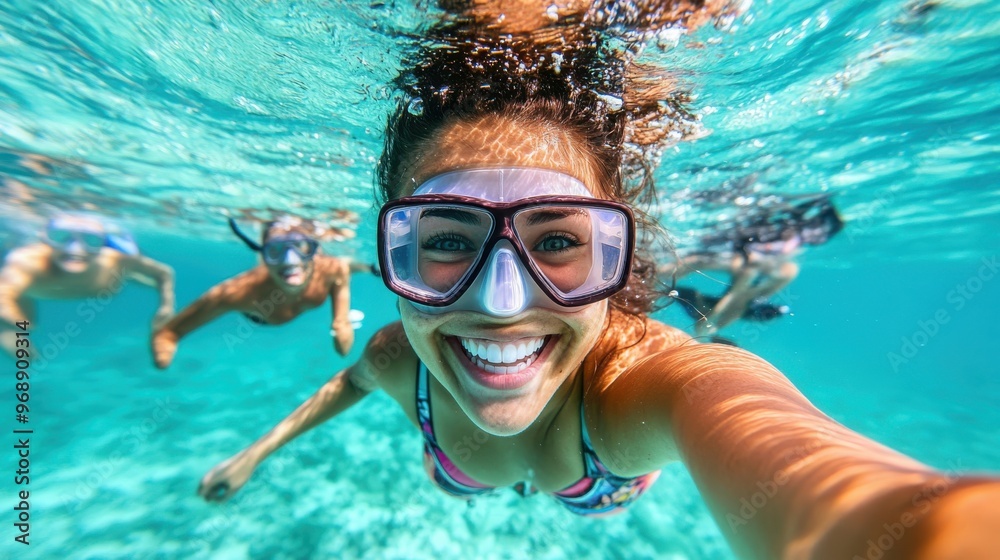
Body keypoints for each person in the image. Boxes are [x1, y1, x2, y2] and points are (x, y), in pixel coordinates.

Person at [195, 2, 999, 558]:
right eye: (444, 239)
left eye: (556, 241)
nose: (501, 301)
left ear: (619, 260)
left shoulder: (642, 385)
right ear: (392, 259)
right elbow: (349, 384)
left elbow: (830, 481)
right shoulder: (398, 359)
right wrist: (255, 454)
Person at [151, 216, 377, 368]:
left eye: (301, 248)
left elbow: (343, 334)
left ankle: (366, 267)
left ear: (313, 249)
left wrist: (340, 323)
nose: (290, 261)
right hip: (260, 316)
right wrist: (165, 347)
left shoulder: (333, 268)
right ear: (263, 255)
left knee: (345, 266)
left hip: (329, 270)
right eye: (275, 251)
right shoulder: (240, 292)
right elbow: (169, 333)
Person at [660, 193, 843, 337]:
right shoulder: (759, 259)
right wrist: (706, 328)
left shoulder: (785, 270)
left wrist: (708, 328)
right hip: (738, 260)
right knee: (695, 263)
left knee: (741, 299)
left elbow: (741, 299)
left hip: (745, 277)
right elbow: (737, 295)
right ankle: (667, 288)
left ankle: (690, 300)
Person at [0, 213, 174, 355]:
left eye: (91, 241)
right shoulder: (26, 263)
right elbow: (4, 295)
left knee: (133, 272)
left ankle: (131, 276)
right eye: (60, 237)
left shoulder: (115, 259)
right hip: (33, 290)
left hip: (111, 278)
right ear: (45, 239)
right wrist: (14, 324)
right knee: (23, 348)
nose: (75, 250)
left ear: (103, 244)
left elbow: (164, 273)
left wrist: (166, 307)